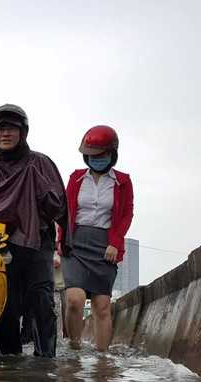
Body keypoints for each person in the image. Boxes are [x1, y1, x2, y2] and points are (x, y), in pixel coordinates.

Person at [0, 104, 67, 357]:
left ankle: (46, 360)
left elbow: (59, 205)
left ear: (23, 132)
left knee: (41, 299)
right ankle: (10, 358)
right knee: (5, 301)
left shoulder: (40, 163)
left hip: (37, 243)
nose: (5, 134)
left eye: (11, 128)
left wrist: (38, 189)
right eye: (0, 129)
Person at [59, 125, 134, 352]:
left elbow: (126, 214)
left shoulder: (122, 181)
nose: (96, 159)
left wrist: (115, 243)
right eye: (91, 155)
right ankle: (74, 347)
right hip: (75, 243)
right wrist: (61, 240)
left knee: (102, 305)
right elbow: (64, 210)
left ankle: (103, 359)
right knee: (74, 299)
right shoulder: (76, 178)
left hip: (105, 246)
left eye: (101, 155)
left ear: (112, 154)